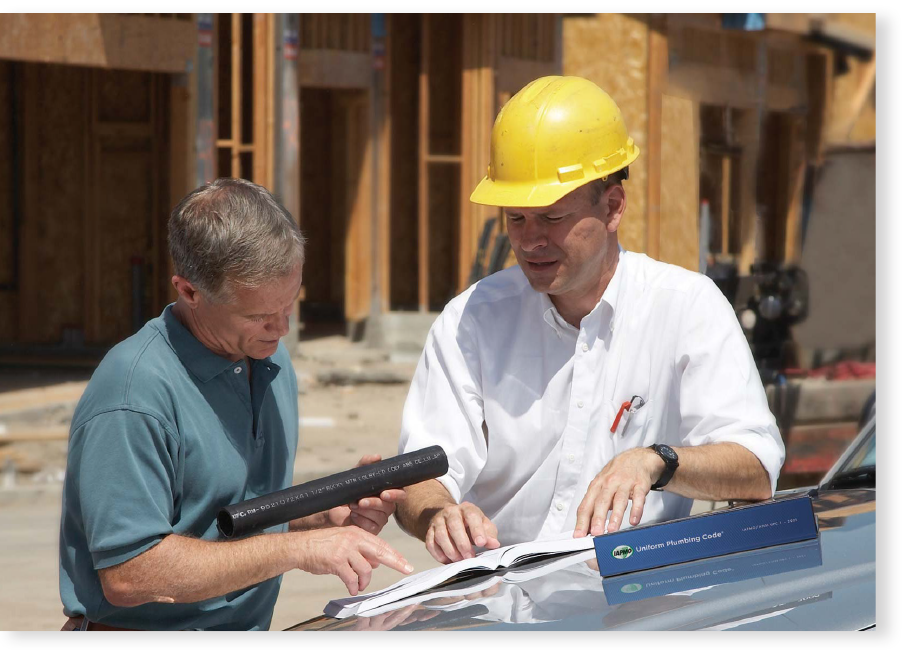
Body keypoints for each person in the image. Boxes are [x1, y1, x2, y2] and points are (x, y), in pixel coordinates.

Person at [394, 76, 785, 564]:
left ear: (613, 207)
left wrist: (656, 462)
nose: (530, 240)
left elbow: (755, 467)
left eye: (552, 219)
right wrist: (438, 515)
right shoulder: (471, 319)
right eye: (516, 218)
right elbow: (420, 475)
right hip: (503, 596)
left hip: (637, 591)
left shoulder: (686, 306)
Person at [59, 178, 412, 631]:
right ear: (189, 292)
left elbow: (226, 522)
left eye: (290, 304)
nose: (281, 328)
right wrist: (299, 550)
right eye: (258, 315)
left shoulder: (265, 356)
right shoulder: (133, 395)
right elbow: (130, 573)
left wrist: (320, 520)